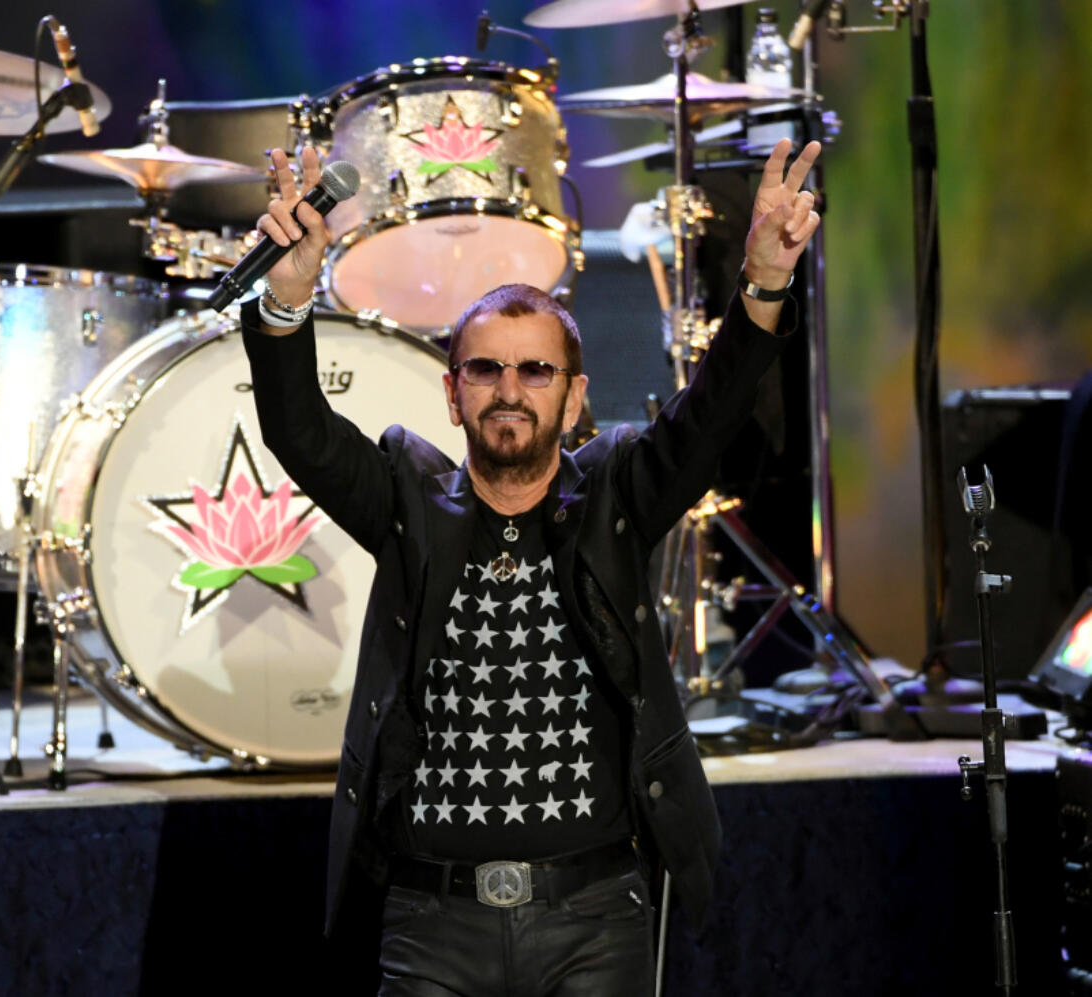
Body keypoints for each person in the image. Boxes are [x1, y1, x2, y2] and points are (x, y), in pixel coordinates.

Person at [241, 137, 822, 996]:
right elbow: (302, 434)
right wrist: (286, 301)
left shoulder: (618, 492)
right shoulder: (406, 500)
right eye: (484, 369)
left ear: (574, 394)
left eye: (535, 370)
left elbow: (710, 415)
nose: (508, 389)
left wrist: (765, 284)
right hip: (431, 924)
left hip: (597, 919)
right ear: (452, 393)